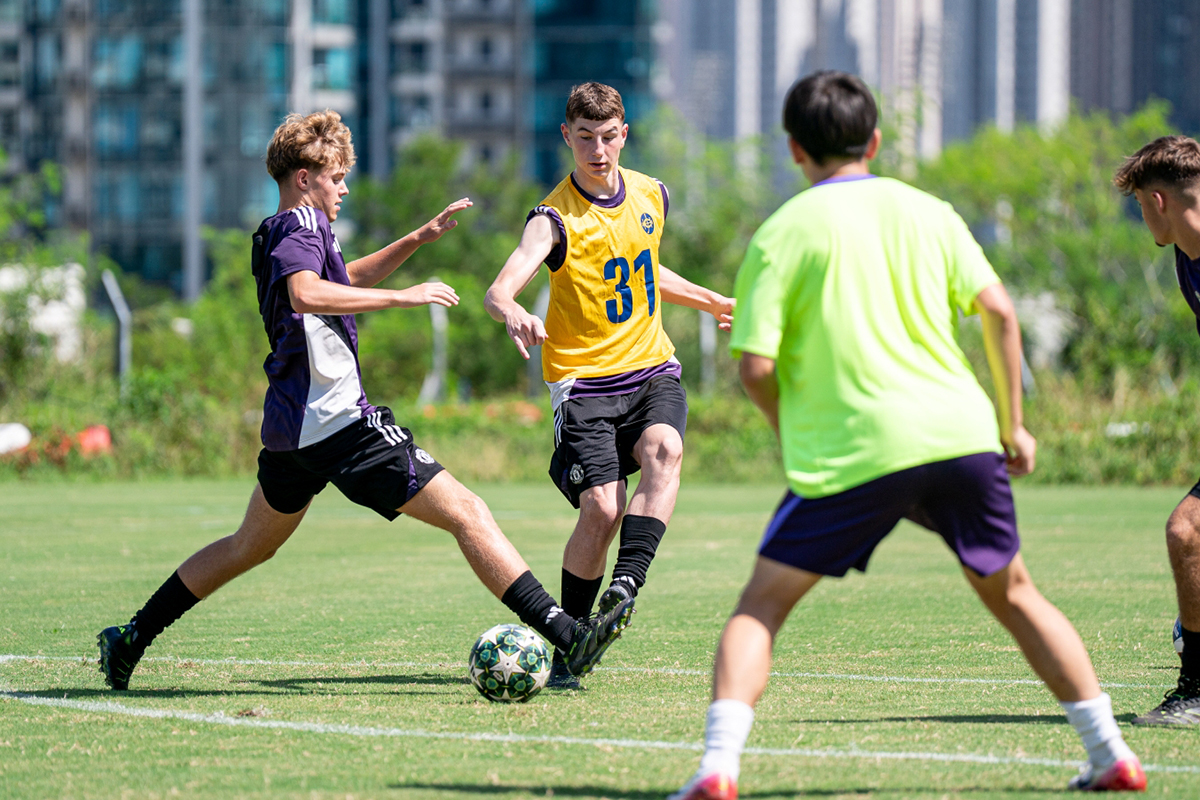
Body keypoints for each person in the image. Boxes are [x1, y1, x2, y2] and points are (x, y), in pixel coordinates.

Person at [670, 71, 1146, 799]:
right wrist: (1013, 425)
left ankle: (716, 770)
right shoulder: (930, 211)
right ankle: (1111, 754)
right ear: (876, 141)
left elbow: (756, 367)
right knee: (1016, 592)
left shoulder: (783, 231)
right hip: (961, 437)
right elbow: (1001, 312)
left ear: (794, 149)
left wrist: (792, 434)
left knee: (761, 605)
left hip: (856, 449)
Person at [96, 110, 633, 691]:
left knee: (247, 546)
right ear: (305, 178)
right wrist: (405, 297)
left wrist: (415, 240)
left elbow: (338, 279)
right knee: (468, 512)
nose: (344, 189)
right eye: (336, 177)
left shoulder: (284, 229)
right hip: (337, 422)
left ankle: (130, 638)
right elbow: (306, 293)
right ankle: (567, 634)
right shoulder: (298, 226)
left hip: (293, 428)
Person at [484, 83, 734, 690]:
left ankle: (624, 587)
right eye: (585, 138)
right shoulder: (551, 219)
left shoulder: (652, 194)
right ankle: (570, 642)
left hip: (651, 367)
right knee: (601, 508)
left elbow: (642, 265)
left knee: (665, 450)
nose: (597, 151)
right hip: (584, 384)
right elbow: (499, 289)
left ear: (624, 134)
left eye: (607, 137)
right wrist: (512, 310)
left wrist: (708, 300)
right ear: (566, 137)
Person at [1114, 135, 1200, 726]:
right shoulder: (1186, 259)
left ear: (1158, 201)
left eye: (1141, 205)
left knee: (1187, 531)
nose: (1142, 217)